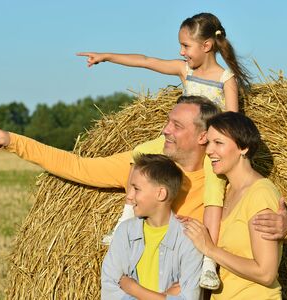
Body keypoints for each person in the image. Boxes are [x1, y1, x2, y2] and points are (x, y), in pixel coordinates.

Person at [0, 95, 287, 291]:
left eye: (176, 126)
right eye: (167, 122)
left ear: (204, 137)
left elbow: (258, 207)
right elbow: (80, 167)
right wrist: (14, 141)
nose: (165, 130)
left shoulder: (222, 175)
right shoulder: (147, 168)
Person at [77, 12, 251, 289]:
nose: (181, 52)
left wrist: (223, 151)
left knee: (214, 194)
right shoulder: (187, 71)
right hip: (182, 140)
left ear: (206, 45)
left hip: (208, 146)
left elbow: (232, 120)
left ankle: (208, 262)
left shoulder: (226, 78)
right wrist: (107, 56)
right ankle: (126, 220)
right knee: (140, 156)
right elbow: (147, 61)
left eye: (186, 46)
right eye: (181, 46)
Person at [184, 112, 284, 299]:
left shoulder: (260, 194)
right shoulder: (227, 191)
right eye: (208, 142)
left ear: (243, 147)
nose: (208, 150)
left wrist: (210, 249)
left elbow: (266, 273)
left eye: (218, 143)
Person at [101, 154, 202, 299]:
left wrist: (134, 289)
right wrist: (163, 296)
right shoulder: (125, 233)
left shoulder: (188, 240)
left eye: (136, 188)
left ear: (160, 194)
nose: (129, 196)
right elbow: (109, 293)